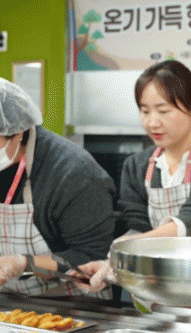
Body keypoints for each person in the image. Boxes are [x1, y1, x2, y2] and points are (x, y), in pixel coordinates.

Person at [78, 60, 191, 292]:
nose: (152, 122)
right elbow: (136, 224)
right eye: (145, 111)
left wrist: (133, 245)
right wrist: (113, 265)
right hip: (155, 285)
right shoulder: (136, 165)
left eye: (163, 111)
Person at [0, 78, 116, 297]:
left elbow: (93, 259)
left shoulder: (74, 174)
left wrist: (23, 263)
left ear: (16, 132)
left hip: (73, 302)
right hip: (8, 301)